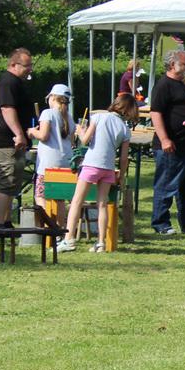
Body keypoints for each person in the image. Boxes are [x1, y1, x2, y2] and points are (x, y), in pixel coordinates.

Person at [58, 93, 137, 254]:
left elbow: (85, 140)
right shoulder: (125, 129)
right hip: (108, 168)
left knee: (76, 202)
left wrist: (80, 130)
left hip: (91, 164)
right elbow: (124, 158)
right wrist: (121, 175)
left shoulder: (99, 117)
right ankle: (101, 242)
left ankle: (69, 239)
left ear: (116, 103)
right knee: (102, 205)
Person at [149, 50, 185, 235]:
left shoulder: (180, 85)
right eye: (184, 64)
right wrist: (164, 139)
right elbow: (155, 113)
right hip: (172, 147)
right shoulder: (164, 85)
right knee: (166, 185)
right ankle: (161, 223)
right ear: (171, 65)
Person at [0, 48, 36, 230]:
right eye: (27, 65)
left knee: (13, 183)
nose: (30, 69)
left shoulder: (16, 82)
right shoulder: (8, 81)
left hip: (13, 142)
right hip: (4, 140)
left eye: (31, 65)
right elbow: (7, 109)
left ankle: (6, 221)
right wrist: (18, 134)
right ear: (14, 64)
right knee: (7, 182)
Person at [28, 82, 74, 223]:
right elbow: (71, 141)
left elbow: (43, 136)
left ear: (53, 97)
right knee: (59, 198)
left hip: (48, 164)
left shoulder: (47, 113)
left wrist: (32, 132)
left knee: (40, 196)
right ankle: (59, 227)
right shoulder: (69, 117)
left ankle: (49, 226)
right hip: (66, 162)